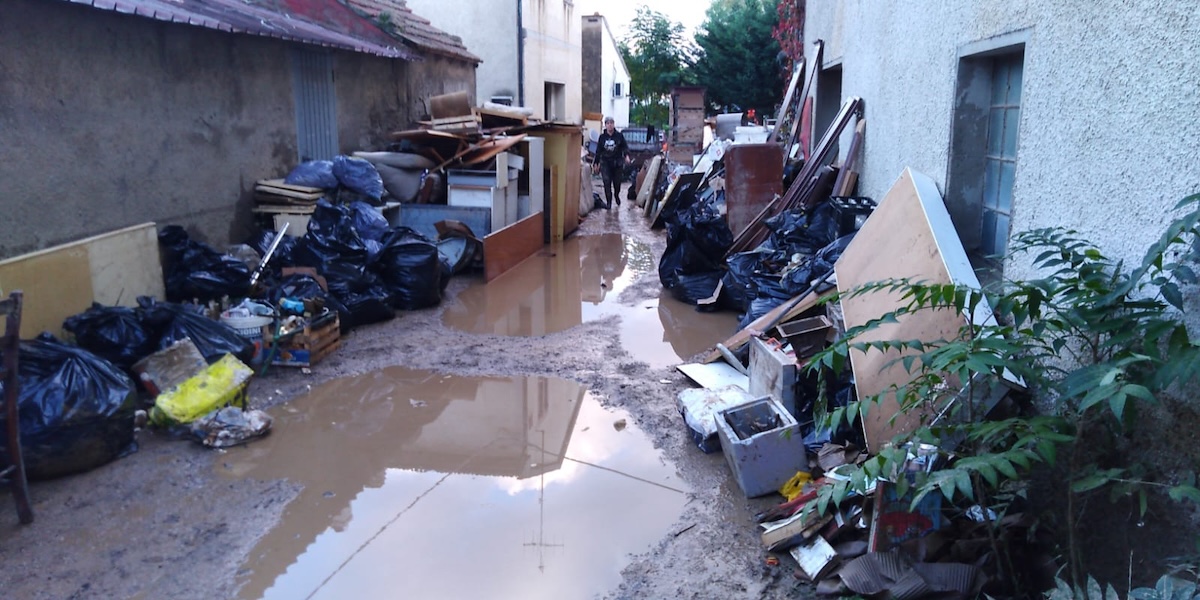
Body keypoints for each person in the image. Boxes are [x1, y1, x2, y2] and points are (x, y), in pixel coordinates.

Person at [592, 117, 631, 210]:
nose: (610, 125)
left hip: (617, 163)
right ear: (605, 125)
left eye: (611, 123)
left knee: (617, 183)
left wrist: (627, 156)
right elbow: (598, 151)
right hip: (605, 163)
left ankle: (616, 195)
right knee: (606, 182)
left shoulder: (619, 136)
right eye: (608, 123)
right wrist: (595, 163)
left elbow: (624, 147)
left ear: (614, 124)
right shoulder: (602, 137)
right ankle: (609, 202)